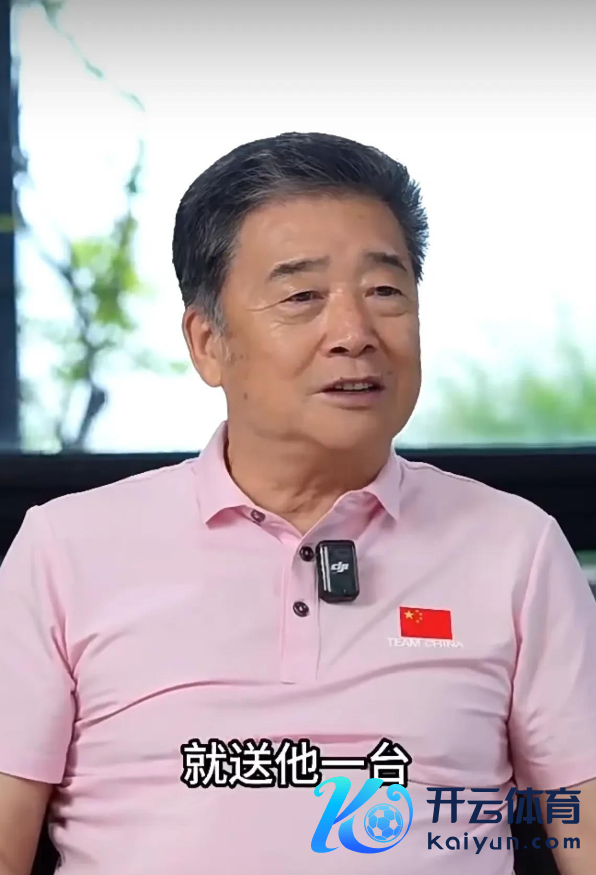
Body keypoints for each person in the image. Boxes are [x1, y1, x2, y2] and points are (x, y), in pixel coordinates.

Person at [0, 132, 595, 875]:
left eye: (385, 292)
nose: (354, 334)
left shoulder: (517, 551)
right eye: (302, 297)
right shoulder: (64, 552)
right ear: (207, 342)